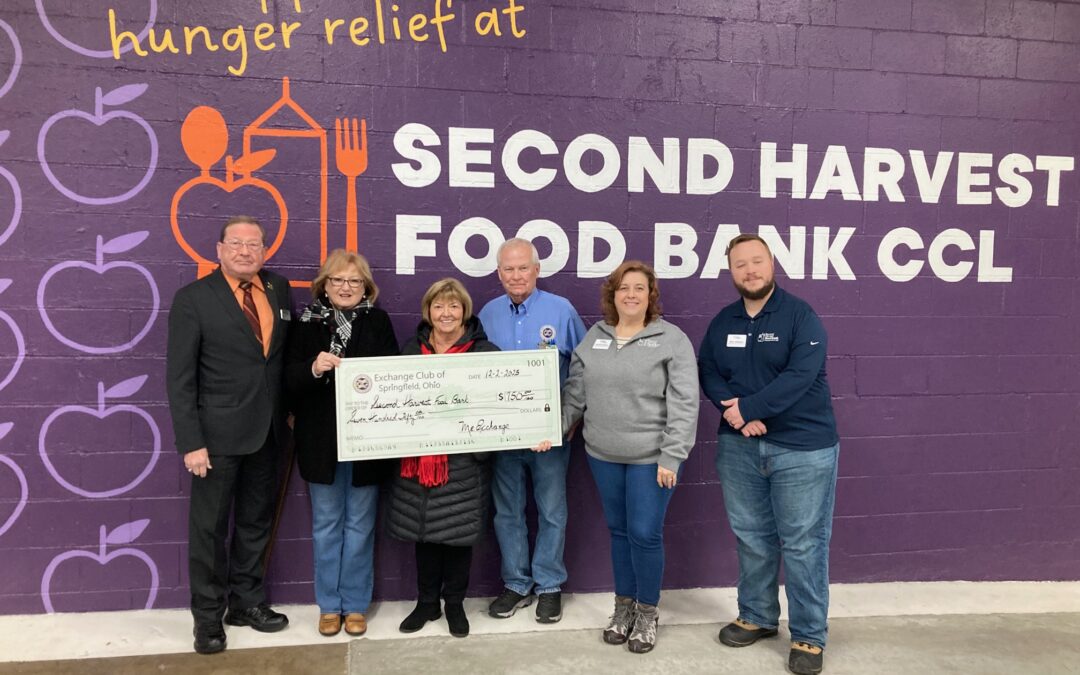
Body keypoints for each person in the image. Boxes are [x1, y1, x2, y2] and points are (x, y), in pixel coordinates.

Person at [698, 234, 840, 675]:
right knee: (752, 537)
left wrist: (749, 409)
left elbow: (801, 376)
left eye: (756, 262)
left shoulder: (801, 316)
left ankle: (808, 636)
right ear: (732, 272)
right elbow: (707, 370)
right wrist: (737, 415)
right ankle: (758, 616)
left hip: (803, 449)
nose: (750, 271)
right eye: (740, 265)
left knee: (802, 544)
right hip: (740, 447)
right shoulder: (724, 321)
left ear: (772, 263)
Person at [556, 260, 698, 654]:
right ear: (612, 295)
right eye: (623, 288)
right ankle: (623, 608)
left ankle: (648, 613)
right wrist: (555, 428)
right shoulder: (595, 336)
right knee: (618, 531)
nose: (631, 294)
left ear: (650, 295)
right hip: (603, 454)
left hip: (651, 458)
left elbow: (685, 403)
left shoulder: (671, 339)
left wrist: (672, 455)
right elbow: (576, 392)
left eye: (639, 288)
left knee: (644, 533)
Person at [166, 216, 293, 655]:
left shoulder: (278, 290)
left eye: (253, 244)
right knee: (209, 531)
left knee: (255, 524)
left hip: (268, 433)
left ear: (264, 251)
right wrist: (191, 442)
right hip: (215, 440)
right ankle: (207, 619)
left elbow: (277, 360)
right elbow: (179, 380)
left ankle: (246, 603)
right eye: (236, 243)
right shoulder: (193, 300)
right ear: (219, 249)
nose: (245, 251)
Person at [284, 250, 398, 638]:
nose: (346, 287)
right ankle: (329, 605)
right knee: (327, 526)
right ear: (324, 286)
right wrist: (314, 368)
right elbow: (288, 380)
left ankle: (355, 605)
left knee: (361, 526)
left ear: (366, 287)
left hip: (366, 442)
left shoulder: (378, 321)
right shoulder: (305, 323)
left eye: (354, 281)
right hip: (320, 441)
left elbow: (393, 377)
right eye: (337, 280)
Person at [477, 238, 586, 624]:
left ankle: (550, 585)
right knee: (507, 512)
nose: (516, 275)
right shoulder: (487, 314)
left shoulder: (561, 311)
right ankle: (516, 583)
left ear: (537, 270)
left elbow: (581, 368)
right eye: (509, 268)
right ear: (499, 273)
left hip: (549, 434)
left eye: (524, 268)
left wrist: (570, 417)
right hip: (502, 434)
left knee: (551, 509)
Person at [386, 278, 498, 638]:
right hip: (417, 462)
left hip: (463, 463)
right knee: (424, 535)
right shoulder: (410, 350)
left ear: (464, 311)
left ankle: (454, 604)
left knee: (457, 537)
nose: (446, 313)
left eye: (453, 306)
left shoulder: (485, 353)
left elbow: (498, 407)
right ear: (428, 312)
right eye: (438, 306)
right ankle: (426, 603)